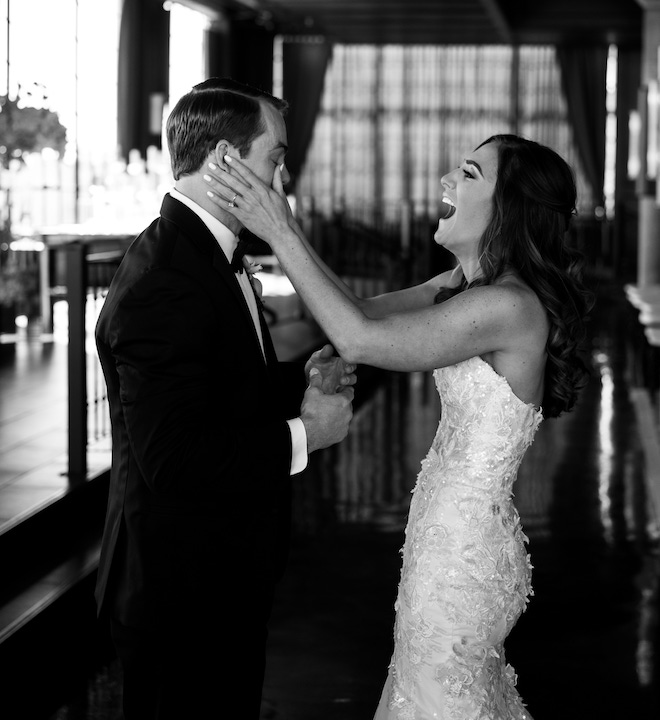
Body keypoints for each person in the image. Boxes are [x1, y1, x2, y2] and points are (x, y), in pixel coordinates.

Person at [202, 132, 593, 719]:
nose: (446, 182)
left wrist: (281, 230)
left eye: (467, 174)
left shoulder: (506, 306)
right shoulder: (461, 289)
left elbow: (361, 336)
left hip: (462, 554)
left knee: (440, 693)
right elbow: (360, 316)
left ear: (509, 207)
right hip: (445, 533)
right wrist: (340, 348)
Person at [94, 77, 356, 720]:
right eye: (276, 157)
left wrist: (298, 385)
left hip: (218, 579)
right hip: (180, 595)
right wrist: (307, 435)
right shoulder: (166, 280)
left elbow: (221, 389)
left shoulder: (205, 254)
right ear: (225, 161)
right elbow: (175, 459)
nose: (285, 177)